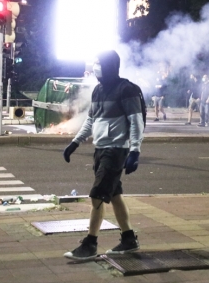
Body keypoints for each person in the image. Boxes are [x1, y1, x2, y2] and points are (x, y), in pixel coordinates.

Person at [62, 50, 146, 261]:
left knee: (97, 194)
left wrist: (135, 151)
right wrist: (75, 142)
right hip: (100, 149)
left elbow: (136, 122)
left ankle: (90, 243)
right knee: (114, 195)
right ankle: (129, 239)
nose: (95, 67)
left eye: (98, 63)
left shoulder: (126, 90)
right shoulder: (98, 90)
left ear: (110, 65)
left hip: (116, 149)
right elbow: (91, 120)